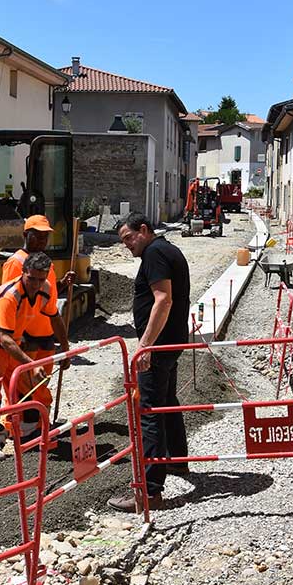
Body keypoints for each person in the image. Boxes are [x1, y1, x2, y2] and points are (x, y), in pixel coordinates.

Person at [109, 212, 191, 513]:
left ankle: (150, 492)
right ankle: (178, 461)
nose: (127, 246)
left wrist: (144, 346)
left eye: (129, 238)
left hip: (157, 347)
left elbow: (163, 300)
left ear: (144, 230)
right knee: (168, 401)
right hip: (172, 342)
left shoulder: (155, 253)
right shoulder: (169, 249)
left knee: (150, 411)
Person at [0, 251, 66, 459]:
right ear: (23, 272)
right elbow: (4, 339)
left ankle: (28, 434)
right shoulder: (10, 295)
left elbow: (55, 317)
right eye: (31, 278)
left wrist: (66, 349)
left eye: (40, 280)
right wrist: (31, 363)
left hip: (14, 338)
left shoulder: (45, 290)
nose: (35, 284)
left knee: (25, 384)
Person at [0, 215, 75, 418]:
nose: (42, 241)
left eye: (45, 237)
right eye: (37, 236)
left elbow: (46, 297)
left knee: (41, 382)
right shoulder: (15, 263)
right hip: (26, 337)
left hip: (45, 333)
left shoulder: (45, 263)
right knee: (22, 385)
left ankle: (40, 428)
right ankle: (17, 428)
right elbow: (8, 301)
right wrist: (19, 336)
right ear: (26, 235)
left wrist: (61, 284)